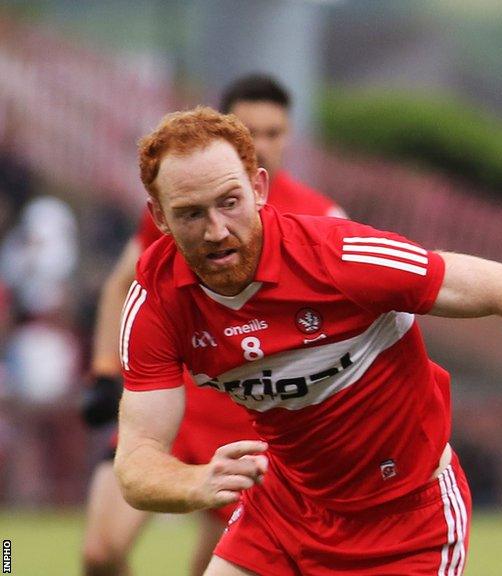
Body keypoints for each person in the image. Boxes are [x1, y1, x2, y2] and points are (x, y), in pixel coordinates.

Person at [115, 106, 502, 576]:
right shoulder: (156, 302)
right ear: (160, 218)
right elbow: (136, 462)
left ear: (258, 189)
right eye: (190, 214)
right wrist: (195, 482)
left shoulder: (340, 258)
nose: (216, 230)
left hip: (409, 522)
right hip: (283, 513)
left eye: (229, 202)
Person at [80, 74, 347, 576]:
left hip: (246, 419)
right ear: (229, 136)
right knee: (100, 552)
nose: (264, 145)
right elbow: (124, 283)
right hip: (168, 397)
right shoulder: (183, 204)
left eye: (275, 132)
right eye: (253, 131)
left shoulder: (321, 216)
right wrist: (102, 368)